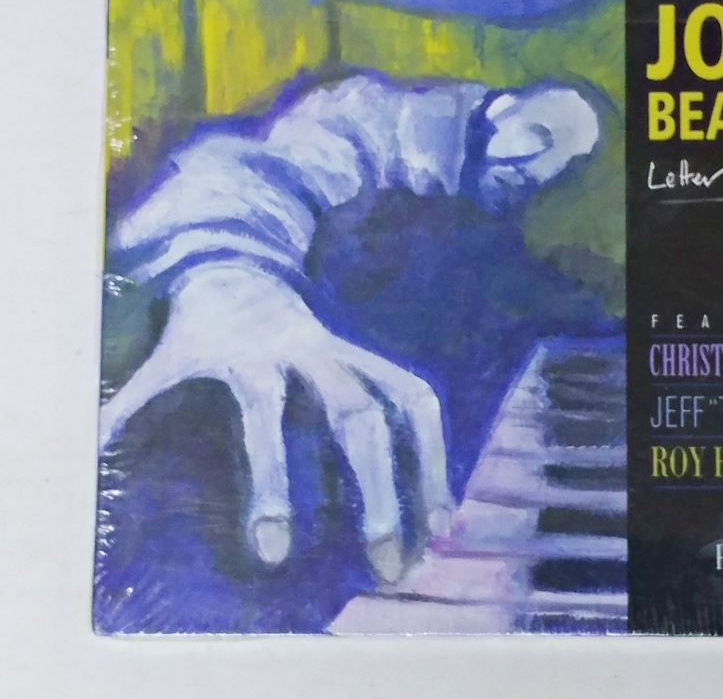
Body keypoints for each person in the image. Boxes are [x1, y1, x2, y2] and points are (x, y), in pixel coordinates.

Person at [98, 71, 606, 606]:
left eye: (563, 161)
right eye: (542, 138)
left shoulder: (538, 246)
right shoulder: (414, 131)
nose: (538, 167)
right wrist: (227, 273)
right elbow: (289, 156)